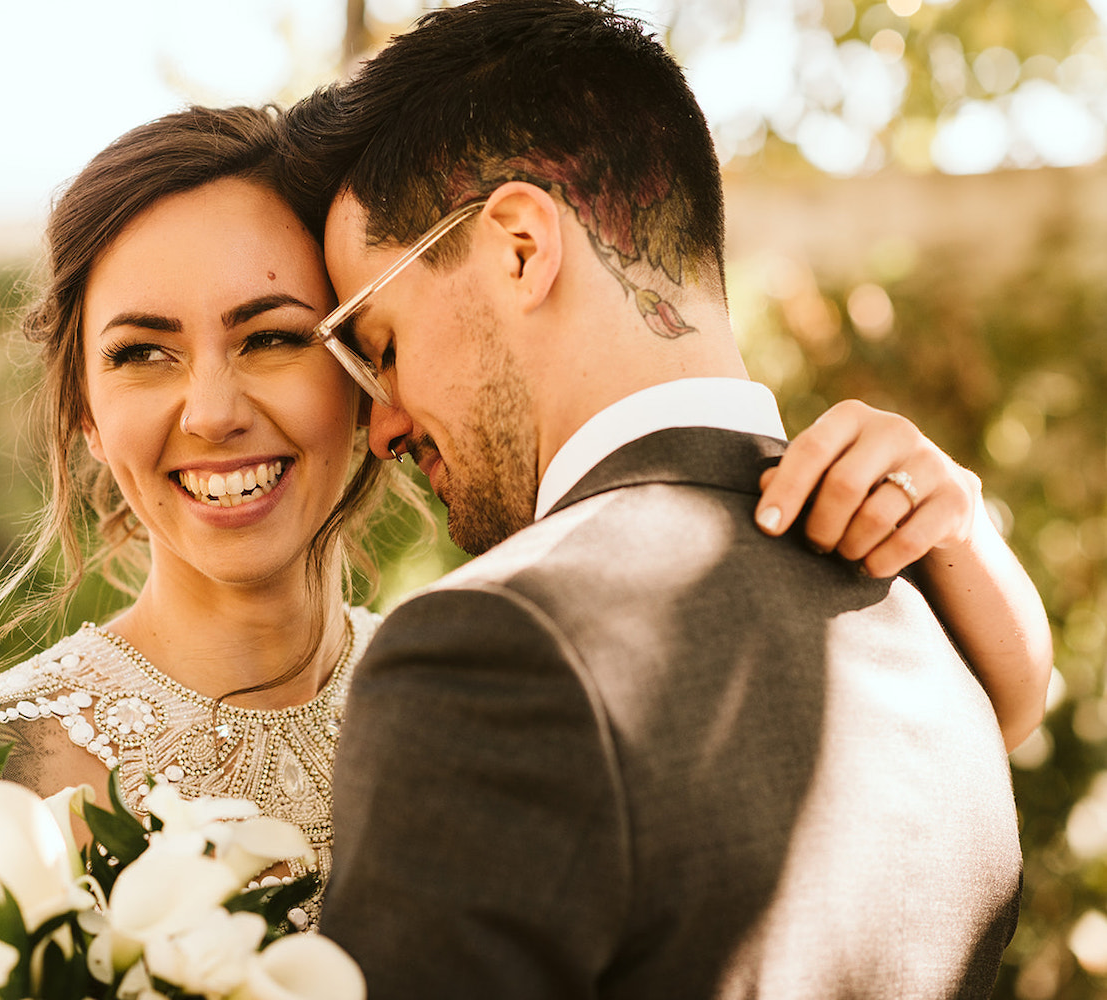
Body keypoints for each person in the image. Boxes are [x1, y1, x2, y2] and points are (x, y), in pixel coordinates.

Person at [0, 101, 1041, 916]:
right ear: (82, 413)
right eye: (143, 355)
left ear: (371, 365)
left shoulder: (521, 684)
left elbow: (891, 770)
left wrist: (948, 539)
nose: (210, 410)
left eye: (271, 337)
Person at [282, 0, 1047, 995]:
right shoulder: (944, 627)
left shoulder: (495, 643)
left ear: (519, 245)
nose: (381, 427)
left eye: (382, 346)